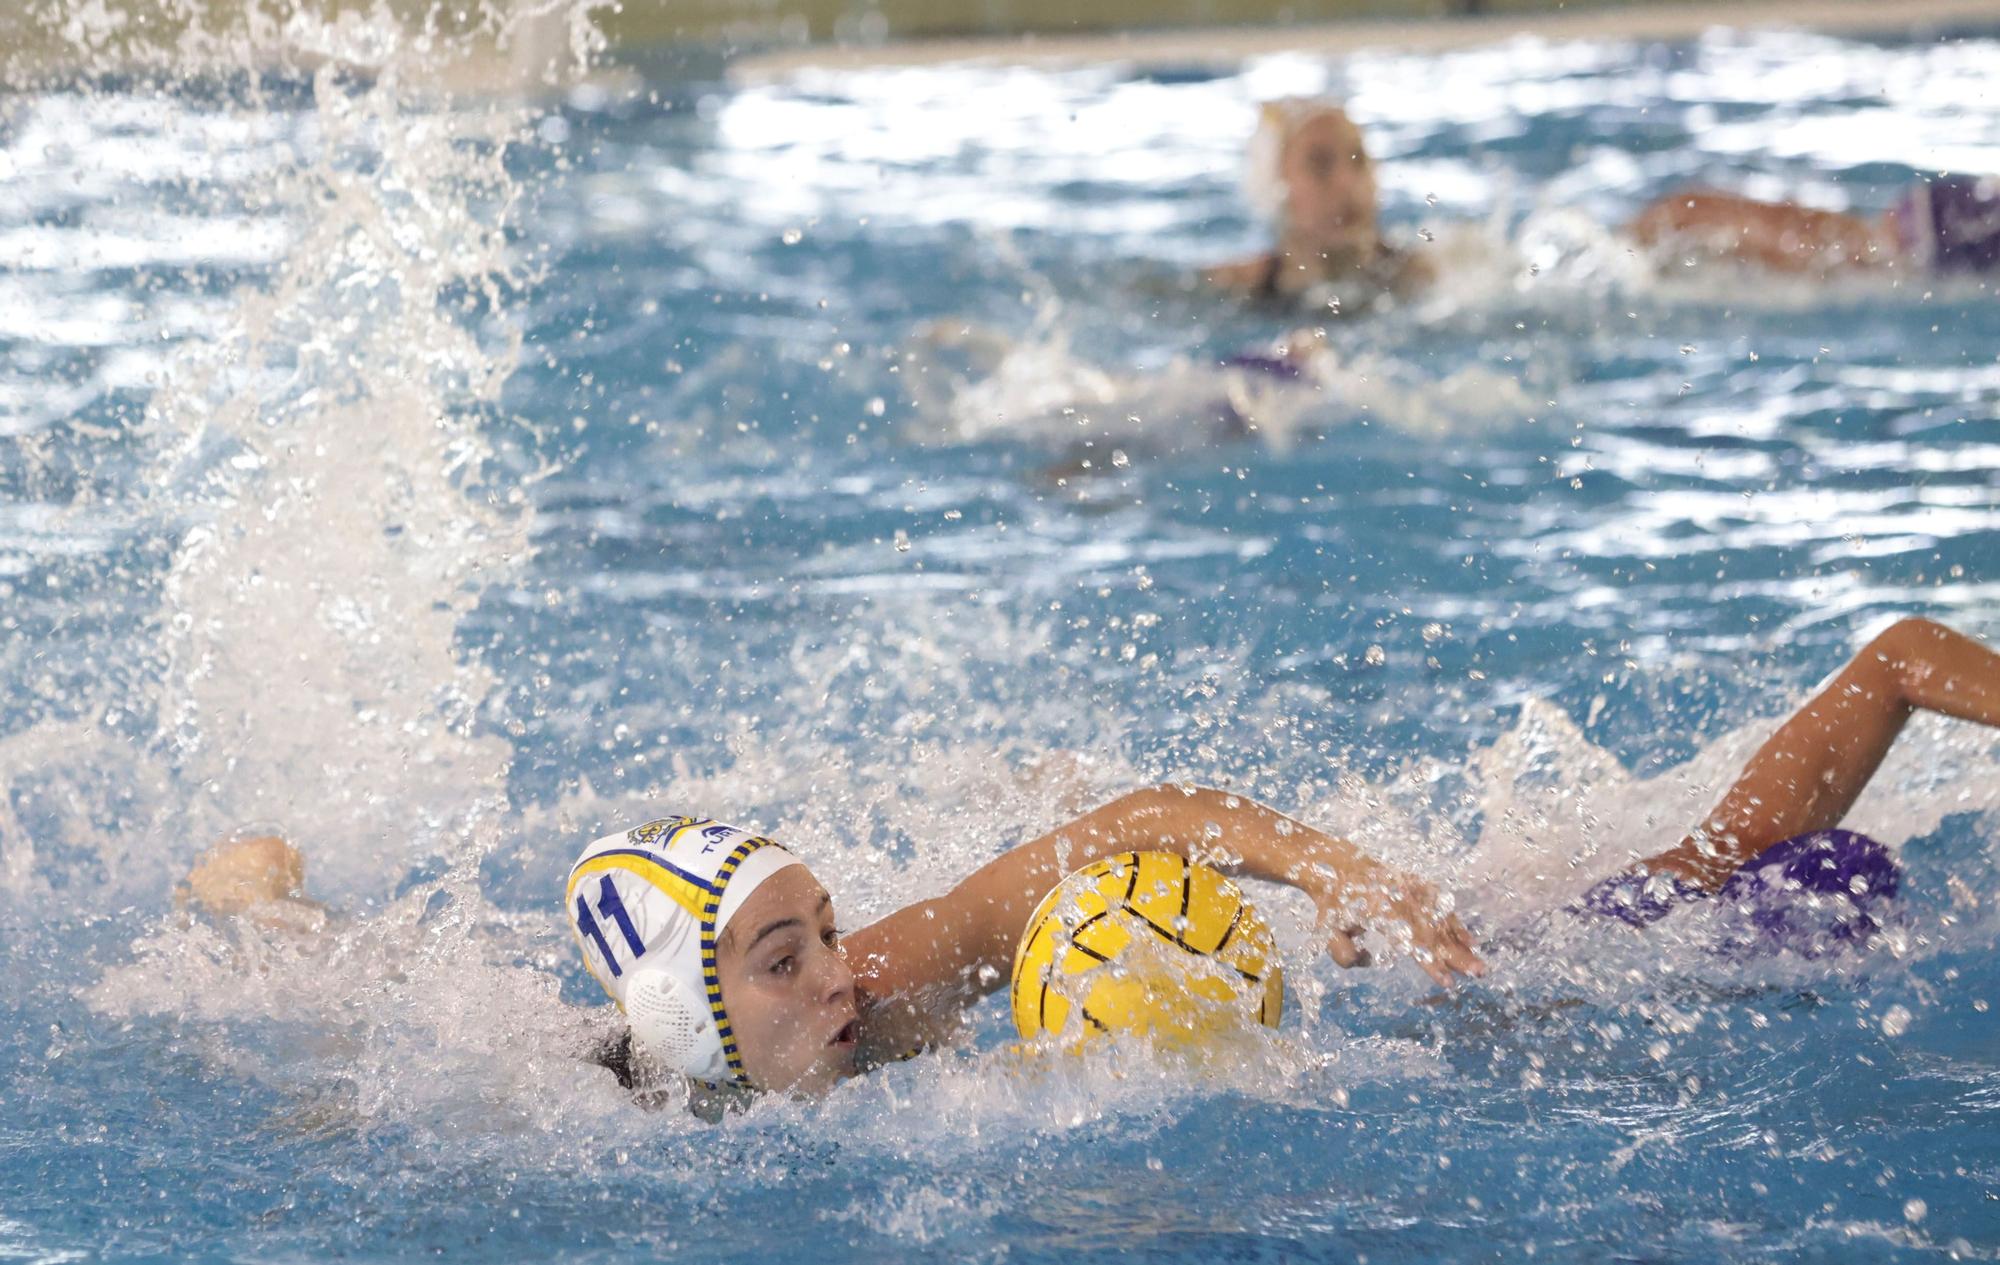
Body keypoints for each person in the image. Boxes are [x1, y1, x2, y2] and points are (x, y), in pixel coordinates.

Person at [186, 617, 2000, 1107]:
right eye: (785, 961)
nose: (845, 972)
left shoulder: (884, 989)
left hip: (1446, 942)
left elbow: (1127, 830)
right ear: (680, 1011)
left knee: (1654, 894)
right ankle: (252, 896)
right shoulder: (585, 1100)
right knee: (334, 973)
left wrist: (1341, 875)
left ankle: (1906, 664)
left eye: (820, 929)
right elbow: (367, 1068)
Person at [1202, 98, 1433, 310]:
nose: (1347, 182)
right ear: (1275, 186)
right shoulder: (1234, 285)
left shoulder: (1427, 274)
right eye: (1320, 164)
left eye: (1358, 159)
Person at [1628, 175, 2000, 278]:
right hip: (1957, 224)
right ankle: (1666, 231)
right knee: (1859, 255)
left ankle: (1662, 230)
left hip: (1958, 207)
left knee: (1853, 246)